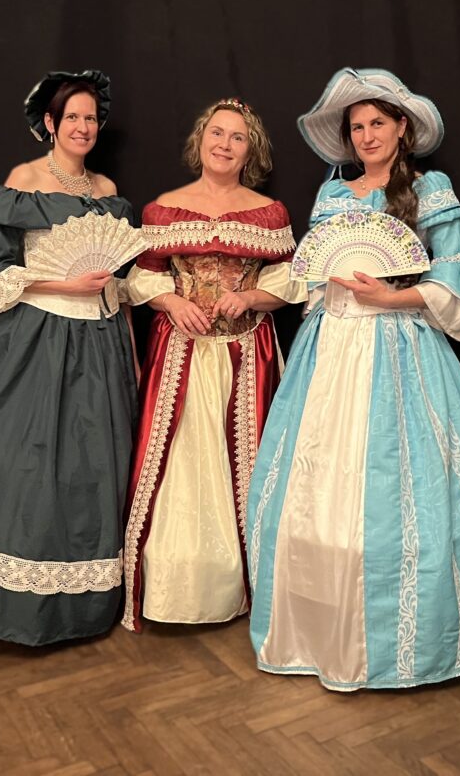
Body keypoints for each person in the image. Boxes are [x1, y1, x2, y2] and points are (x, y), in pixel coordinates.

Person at [247, 68, 460, 691]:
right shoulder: (333, 195)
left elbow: (456, 278)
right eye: (357, 127)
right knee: (315, 485)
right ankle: (323, 630)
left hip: (401, 345)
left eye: (377, 123)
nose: (366, 136)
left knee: (411, 485)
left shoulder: (429, 188)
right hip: (330, 349)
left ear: (401, 127)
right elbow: (312, 273)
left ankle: (411, 636)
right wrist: (321, 288)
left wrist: (390, 298)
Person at [0, 70, 138, 645]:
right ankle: (11, 607)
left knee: (89, 470)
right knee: (25, 466)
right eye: (73, 118)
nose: (84, 127)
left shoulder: (108, 188)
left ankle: (78, 609)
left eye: (91, 118)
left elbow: (116, 279)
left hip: (100, 343)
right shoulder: (25, 181)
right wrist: (65, 284)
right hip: (39, 338)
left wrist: (125, 331)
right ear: (50, 123)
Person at [121, 97, 303, 632]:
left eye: (237, 137)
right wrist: (171, 302)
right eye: (216, 133)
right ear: (200, 140)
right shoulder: (164, 209)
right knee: (178, 467)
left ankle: (241, 589)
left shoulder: (268, 214)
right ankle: (173, 591)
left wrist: (249, 298)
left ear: (251, 150)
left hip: (246, 354)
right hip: (180, 353)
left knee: (243, 465)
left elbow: (290, 277)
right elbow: (142, 275)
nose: (224, 144)